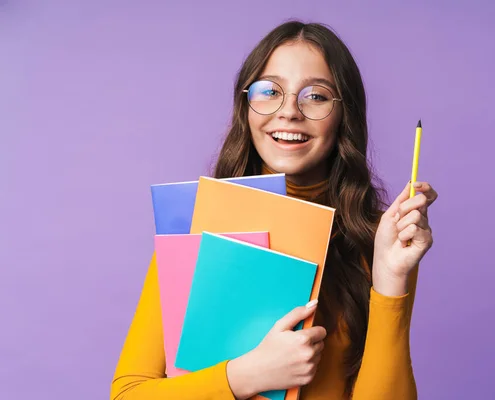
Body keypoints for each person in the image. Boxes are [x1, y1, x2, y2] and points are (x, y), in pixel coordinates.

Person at [111, 20, 438, 400]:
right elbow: (128, 394)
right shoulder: (198, 223)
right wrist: (246, 376)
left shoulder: (379, 242)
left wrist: (390, 278)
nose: (288, 112)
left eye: (315, 96)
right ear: (246, 104)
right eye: (270, 91)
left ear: (343, 114)